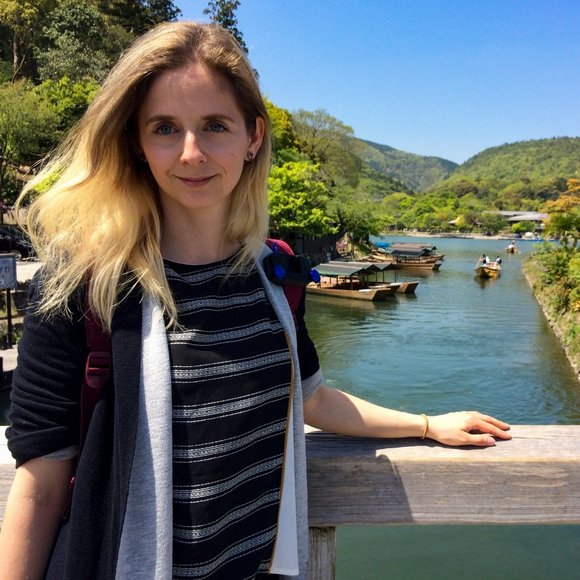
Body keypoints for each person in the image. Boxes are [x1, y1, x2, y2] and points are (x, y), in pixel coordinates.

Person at [0, 21, 511, 580]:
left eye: (215, 126)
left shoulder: (275, 274)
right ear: (137, 144)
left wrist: (427, 424)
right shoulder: (81, 288)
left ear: (253, 136)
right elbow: (40, 487)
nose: (191, 153)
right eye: (165, 128)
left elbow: (311, 398)